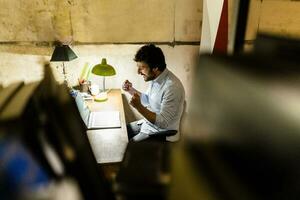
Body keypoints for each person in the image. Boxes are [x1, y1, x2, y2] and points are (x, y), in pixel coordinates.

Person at [123, 44, 185, 142]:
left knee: (125, 147)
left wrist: (139, 107)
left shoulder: (172, 87)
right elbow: (148, 100)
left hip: (161, 134)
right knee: (121, 132)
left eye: (142, 68)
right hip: (149, 125)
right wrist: (131, 90)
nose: (138, 72)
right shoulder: (155, 78)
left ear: (155, 68)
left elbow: (163, 123)